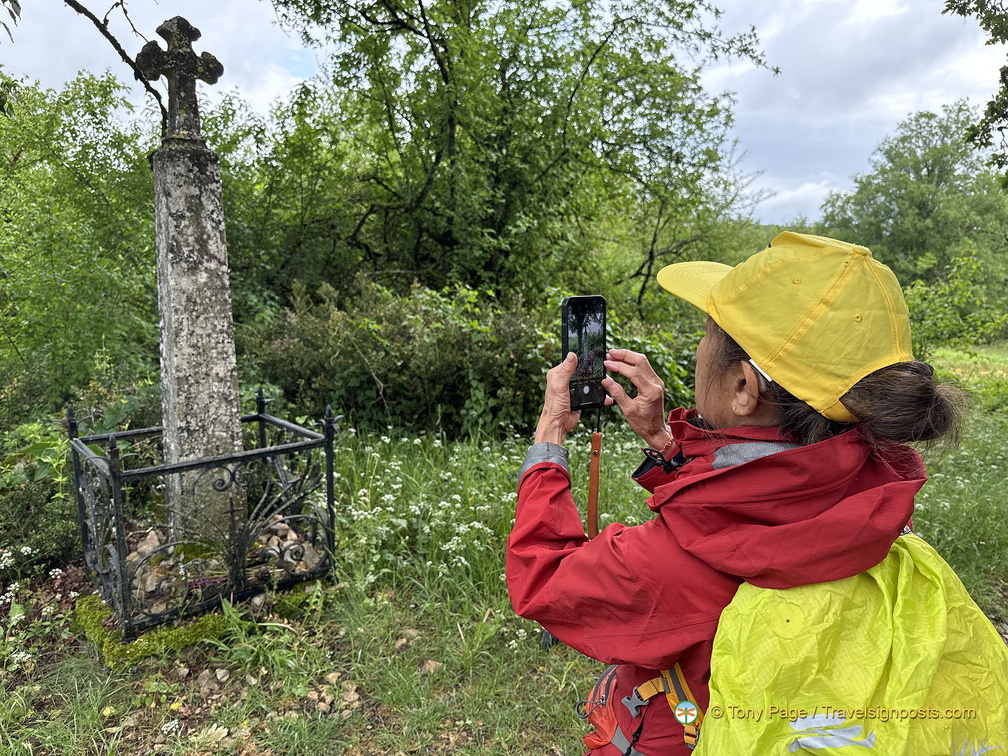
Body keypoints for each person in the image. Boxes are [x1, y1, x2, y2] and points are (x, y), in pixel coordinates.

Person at [506, 231, 1008, 755]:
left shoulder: (667, 563)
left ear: (744, 387)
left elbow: (543, 581)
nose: (699, 350)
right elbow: (768, 493)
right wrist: (668, 445)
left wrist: (549, 435)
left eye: (706, 334)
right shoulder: (881, 490)